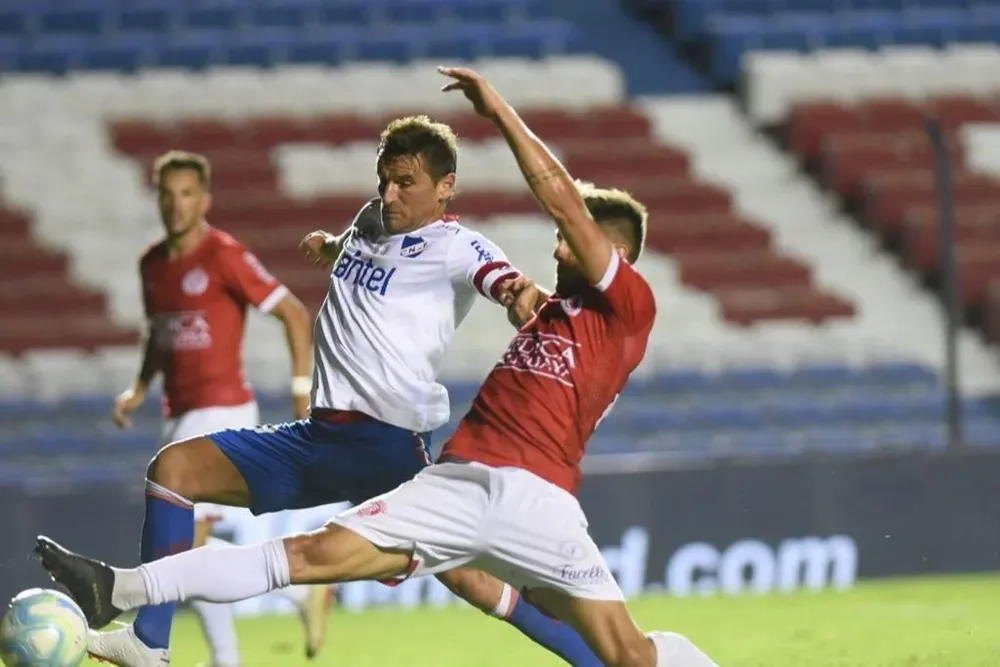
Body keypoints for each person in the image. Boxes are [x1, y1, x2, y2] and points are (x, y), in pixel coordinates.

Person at [36, 67, 719, 667]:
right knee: (200, 488)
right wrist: (333, 247)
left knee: (543, 611)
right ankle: (135, 616)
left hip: (418, 453)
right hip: (387, 454)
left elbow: (518, 263)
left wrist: (519, 289)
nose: (391, 194)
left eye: (407, 183)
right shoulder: (375, 224)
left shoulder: (527, 272)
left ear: (446, 189)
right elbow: (375, 258)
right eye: (384, 180)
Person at [106, 150, 328, 667]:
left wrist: (301, 393)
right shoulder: (152, 264)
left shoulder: (224, 254)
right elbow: (161, 333)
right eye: (168, 194)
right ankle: (297, 594)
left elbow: (295, 314)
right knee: (185, 549)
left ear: (204, 200)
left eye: (187, 194)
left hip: (224, 408)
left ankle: (226, 654)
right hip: (179, 414)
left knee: (185, 544)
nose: (176, 205)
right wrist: (139, 387)